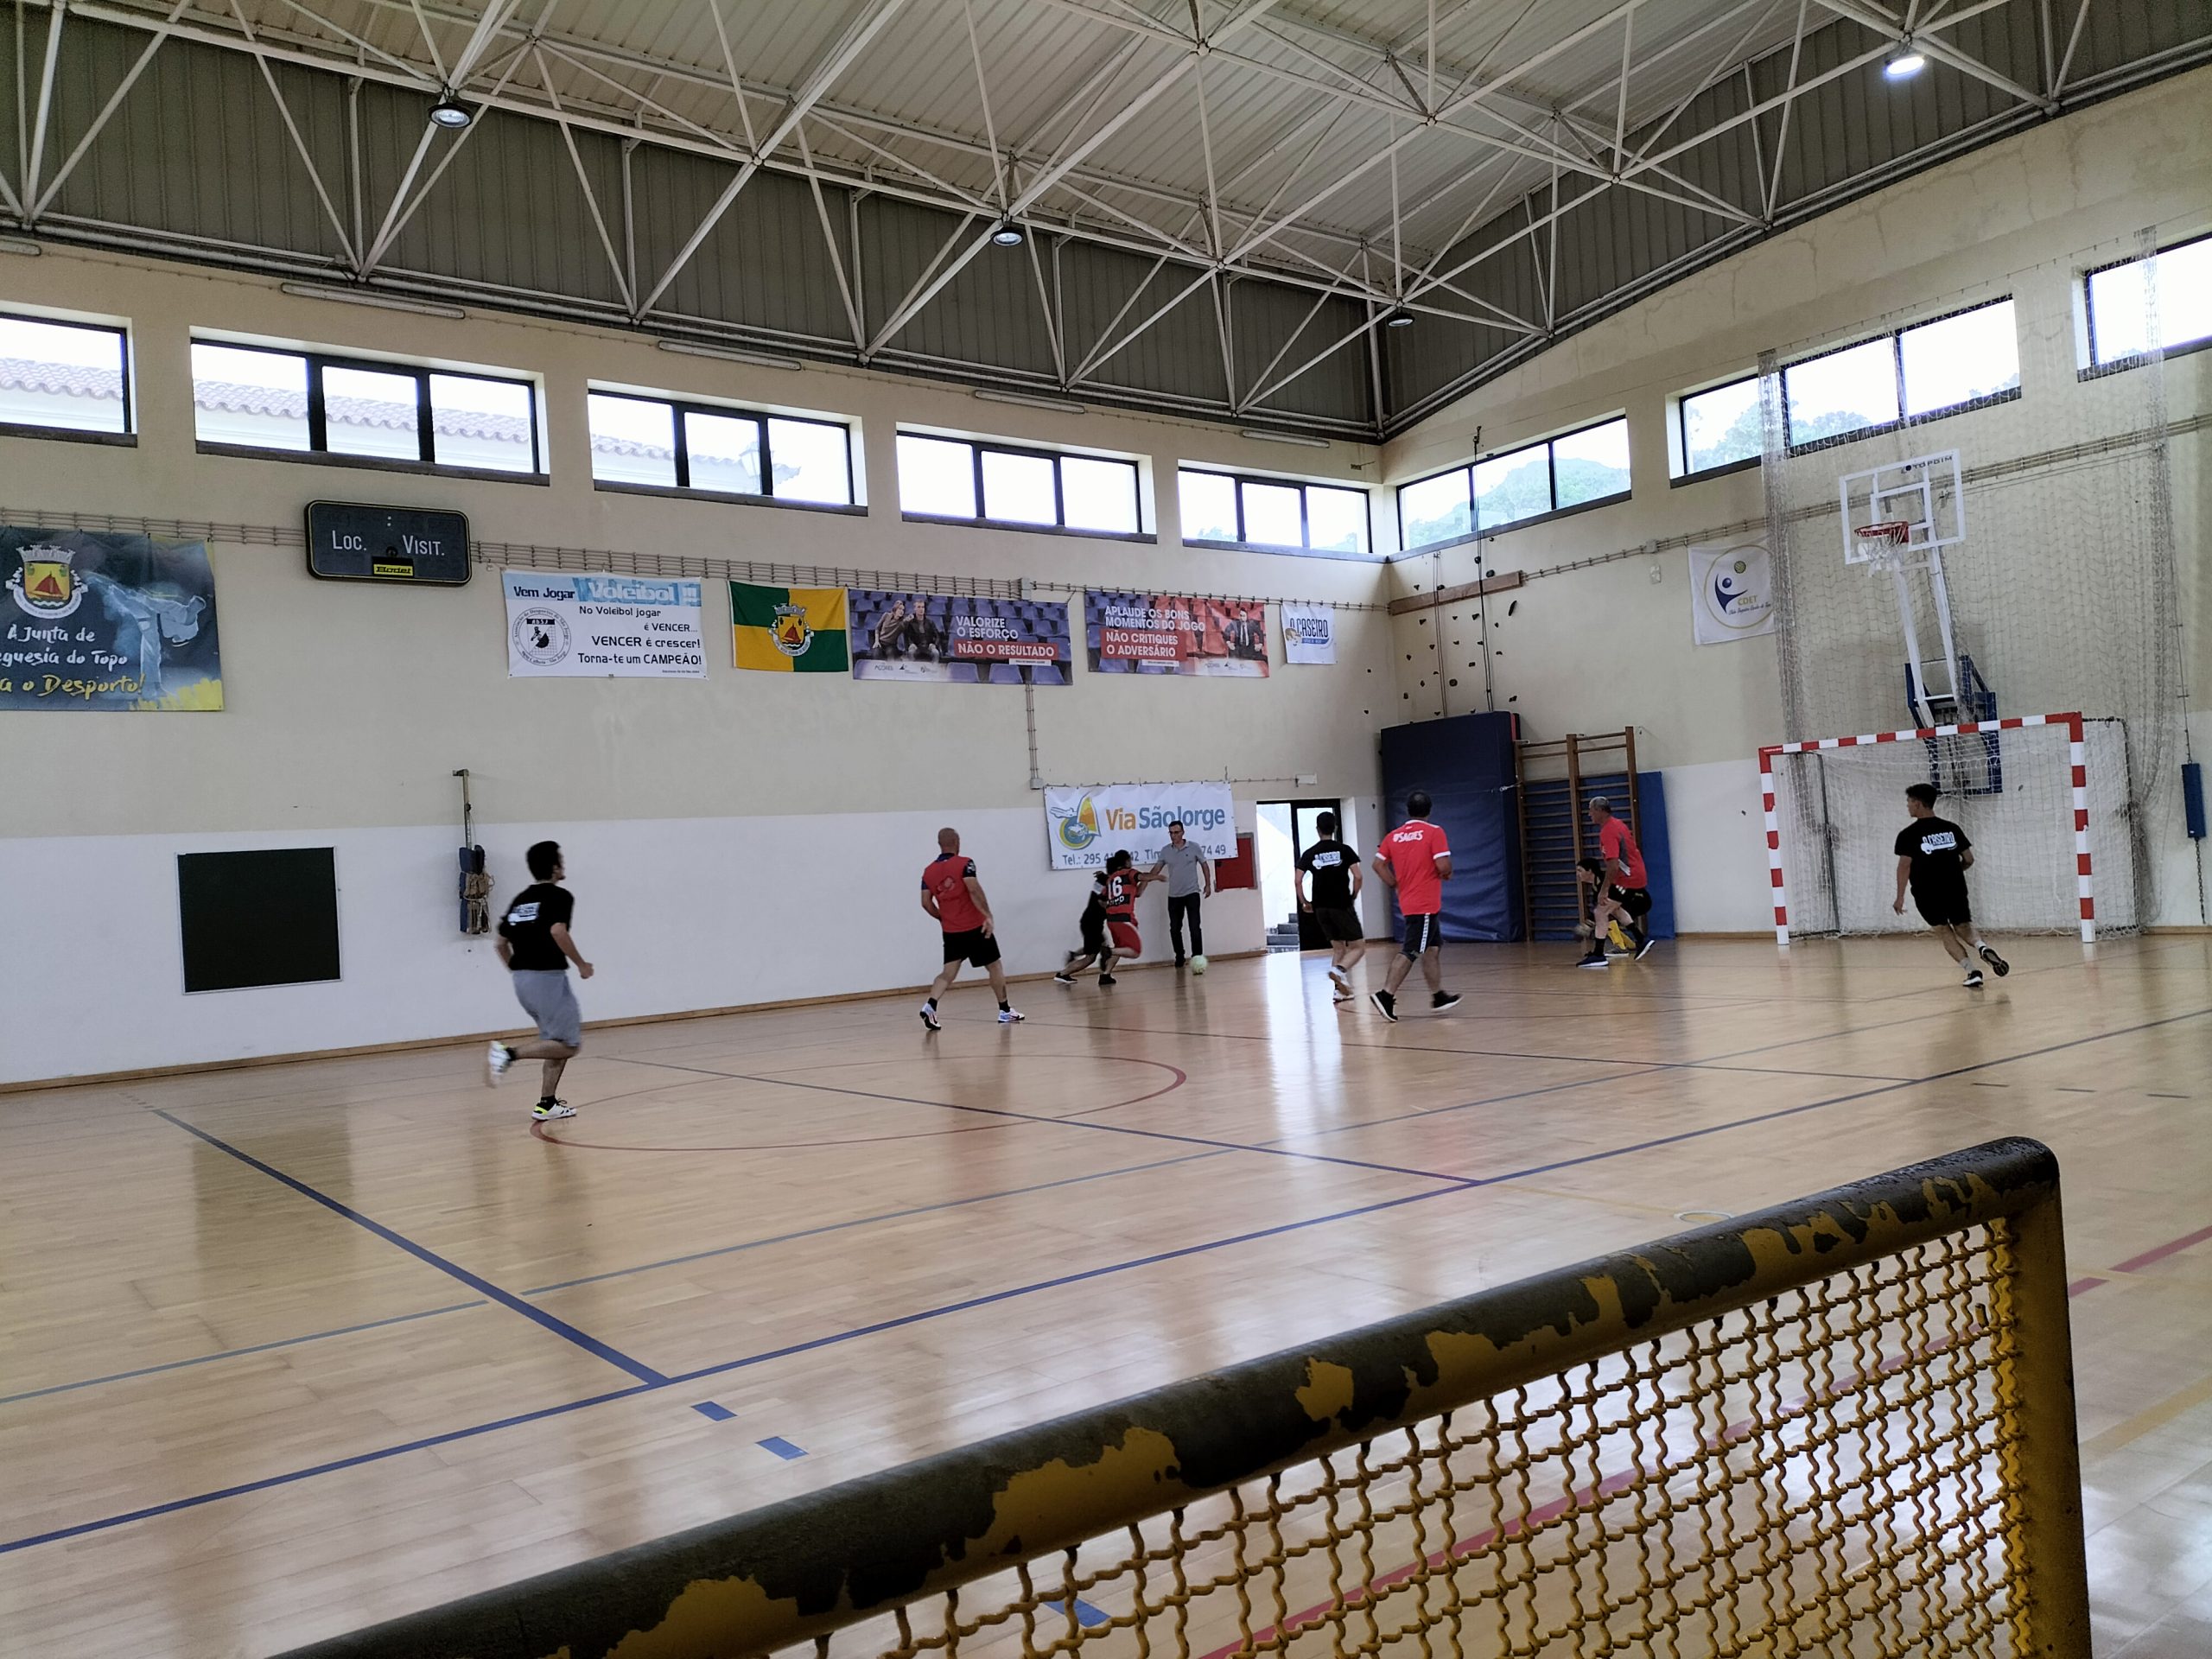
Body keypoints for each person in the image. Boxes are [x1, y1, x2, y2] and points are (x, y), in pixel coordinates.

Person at [485, 839, 594, 1121]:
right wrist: (581, 964)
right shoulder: (560, 897)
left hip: (523, 980)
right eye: (561, 861)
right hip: (547, 979)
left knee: (554, 1042)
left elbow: (500, 944)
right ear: (554, 867)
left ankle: (547, 1104)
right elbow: (558, 932)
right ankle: (508, 1054)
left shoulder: (522, 899)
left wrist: (520, 973)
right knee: (569, 1045)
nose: (564, 865)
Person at [1893, 783, 2008, 988]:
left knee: (1944, 931)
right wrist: (1955, 871)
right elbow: (1969, 859)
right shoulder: (1952, 828)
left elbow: (1904, 866)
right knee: (1963, 926)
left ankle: (1972, 972)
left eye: (1909, 802)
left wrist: (1900, 897)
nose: (1908, 806)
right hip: (1955, 888)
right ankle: (1982, 947)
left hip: (1927, 892)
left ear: (1918, 803)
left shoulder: (1908, 835)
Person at [1368, 791, 1461, 1022]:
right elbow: (1443, 865)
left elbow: (1378, 865)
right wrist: (1447, 872)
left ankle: (1438, 996)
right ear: (1429, 810)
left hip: (1411, 902)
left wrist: (1395, 884)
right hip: (1424, 904)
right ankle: (1385, 995)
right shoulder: (1434, 832)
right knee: (1412, 951)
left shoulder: (1394, 836)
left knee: (1432, 949)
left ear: (1408, 810)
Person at [919, 827, 1023, 1029]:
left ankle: (930, 1006)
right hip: (975, 927)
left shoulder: (928, 871)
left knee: (947, 973)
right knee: (994, 966)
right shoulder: (965, 863)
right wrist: (987, 915)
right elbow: (973, 889)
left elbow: (925, 903)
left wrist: (942, 917)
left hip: (951, 931)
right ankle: (1004, 1010)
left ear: (940, 844)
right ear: (957, 842)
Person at [1576, 796, 1656, 969]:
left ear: (1600, 810)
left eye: (1591, 810)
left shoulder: (1608, 831)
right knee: (1615, 909)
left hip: (1628, 878)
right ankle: (1641, 939)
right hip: (1633, 875)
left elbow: (1613, 865)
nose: (1589, 814)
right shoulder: (1618, 824)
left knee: (1601, 911)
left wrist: (1604, 890)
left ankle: (1599, 955)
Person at [1296, 810, 1366, 1003]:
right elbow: (1358, 876)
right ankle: (1339, 970)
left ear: (1317, 830)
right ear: (1334, 828)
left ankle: (1339, 992)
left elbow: (1298, 880)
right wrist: (1354, 895)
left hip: (1321, 908)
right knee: (1358, 947)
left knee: (1339, 949)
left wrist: (1305, 902)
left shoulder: (1310, 853)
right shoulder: (1345, 850)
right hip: (1341, 904)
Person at [1147, 820, 1213, 967]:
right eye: (1171, 833)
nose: (1173, 836)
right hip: (1174, 895)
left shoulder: (1194, 847)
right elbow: (1156, 869)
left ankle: (1197, 958)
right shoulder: (1166, 851)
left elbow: (1204, 865)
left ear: (1183, 832)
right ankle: (1180, 955)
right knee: (1175, 928)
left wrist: (1208, 884)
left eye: (1176, 832)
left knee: (1194, 927)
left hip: (1192, 893)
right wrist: (1145, 880)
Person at [1054, 864, 1114, 984]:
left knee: (1100, 946)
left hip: (1091, 922)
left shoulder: (1103, 880)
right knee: (1091, 957)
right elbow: (1101, 902)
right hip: (1092, 924)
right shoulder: (1107, 883)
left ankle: (1074, 955)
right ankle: (1063, 974)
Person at [1097, 850, 1150, 985]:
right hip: (1124, 919)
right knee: (1135, 951)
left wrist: (1111, 906)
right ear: (1126, 861)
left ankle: (1105, 975)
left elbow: (1102, 900)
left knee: (1120, 947)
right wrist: (1155, 876)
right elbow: (1142, 879)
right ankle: (1108, 951)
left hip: (1111, 920)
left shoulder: (1111, 879)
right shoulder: (1129, 874)